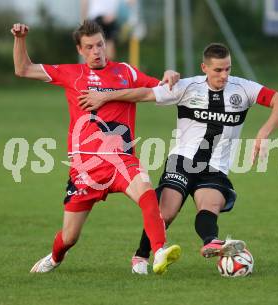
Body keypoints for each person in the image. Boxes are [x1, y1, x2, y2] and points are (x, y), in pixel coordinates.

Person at [78, 43, 278, 274]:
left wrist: (263, 132)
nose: (224, 75)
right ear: (204, 67)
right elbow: (144, 93)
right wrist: (105, 96)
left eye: (228, 69)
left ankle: (211, 241)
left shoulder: (244, 89)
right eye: (218, 70)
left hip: (215, 167)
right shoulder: (187, 87)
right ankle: (141, 255)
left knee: (210, 205)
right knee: (167, 212)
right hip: (182, 161)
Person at [11, 20, 182, 274]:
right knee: (69, 237)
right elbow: (23, 69)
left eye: (100, 44)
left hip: (121, 160)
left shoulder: (126, 72)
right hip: (85, 168)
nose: (97, 51)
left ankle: (158, 252)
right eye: (89, 47)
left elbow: (162, 88)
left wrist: (169, 74)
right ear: (80, 50)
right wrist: (20, 39)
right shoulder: (72, 74)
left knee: (147, 193)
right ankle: (56, 257)